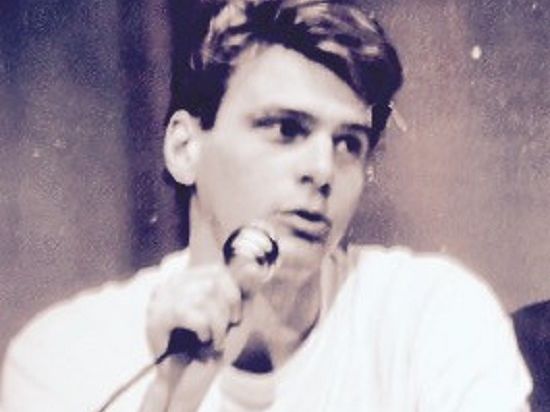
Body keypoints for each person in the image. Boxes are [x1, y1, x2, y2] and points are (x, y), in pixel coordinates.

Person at [1, 0, 532, 411]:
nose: (322, 169)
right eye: (285, 129)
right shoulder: (67, 355)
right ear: (184, 148)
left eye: (348, 143)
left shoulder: (429, 315)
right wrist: (168, 400)